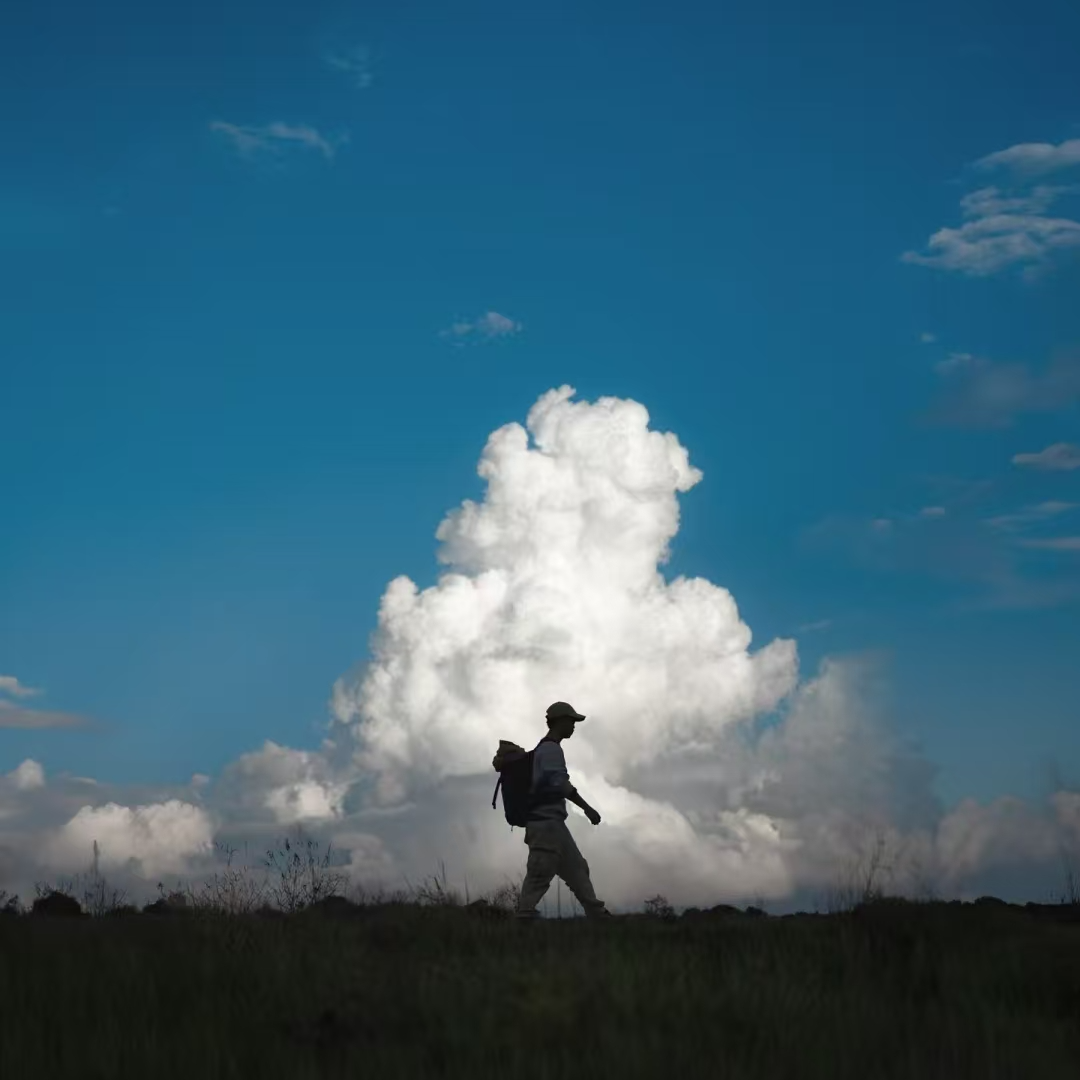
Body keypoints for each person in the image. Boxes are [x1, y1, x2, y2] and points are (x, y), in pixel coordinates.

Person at [514, 701, 613, 920]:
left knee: (577, 868)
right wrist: (587, 808)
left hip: (552, 824)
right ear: (560, 721)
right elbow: (560, 783)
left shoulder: (546, 748)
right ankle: (523, 919)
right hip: (545, 824)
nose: (574, 726)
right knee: (540, 873)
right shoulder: (551, 750)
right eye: (571, 721)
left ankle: (597, 915)